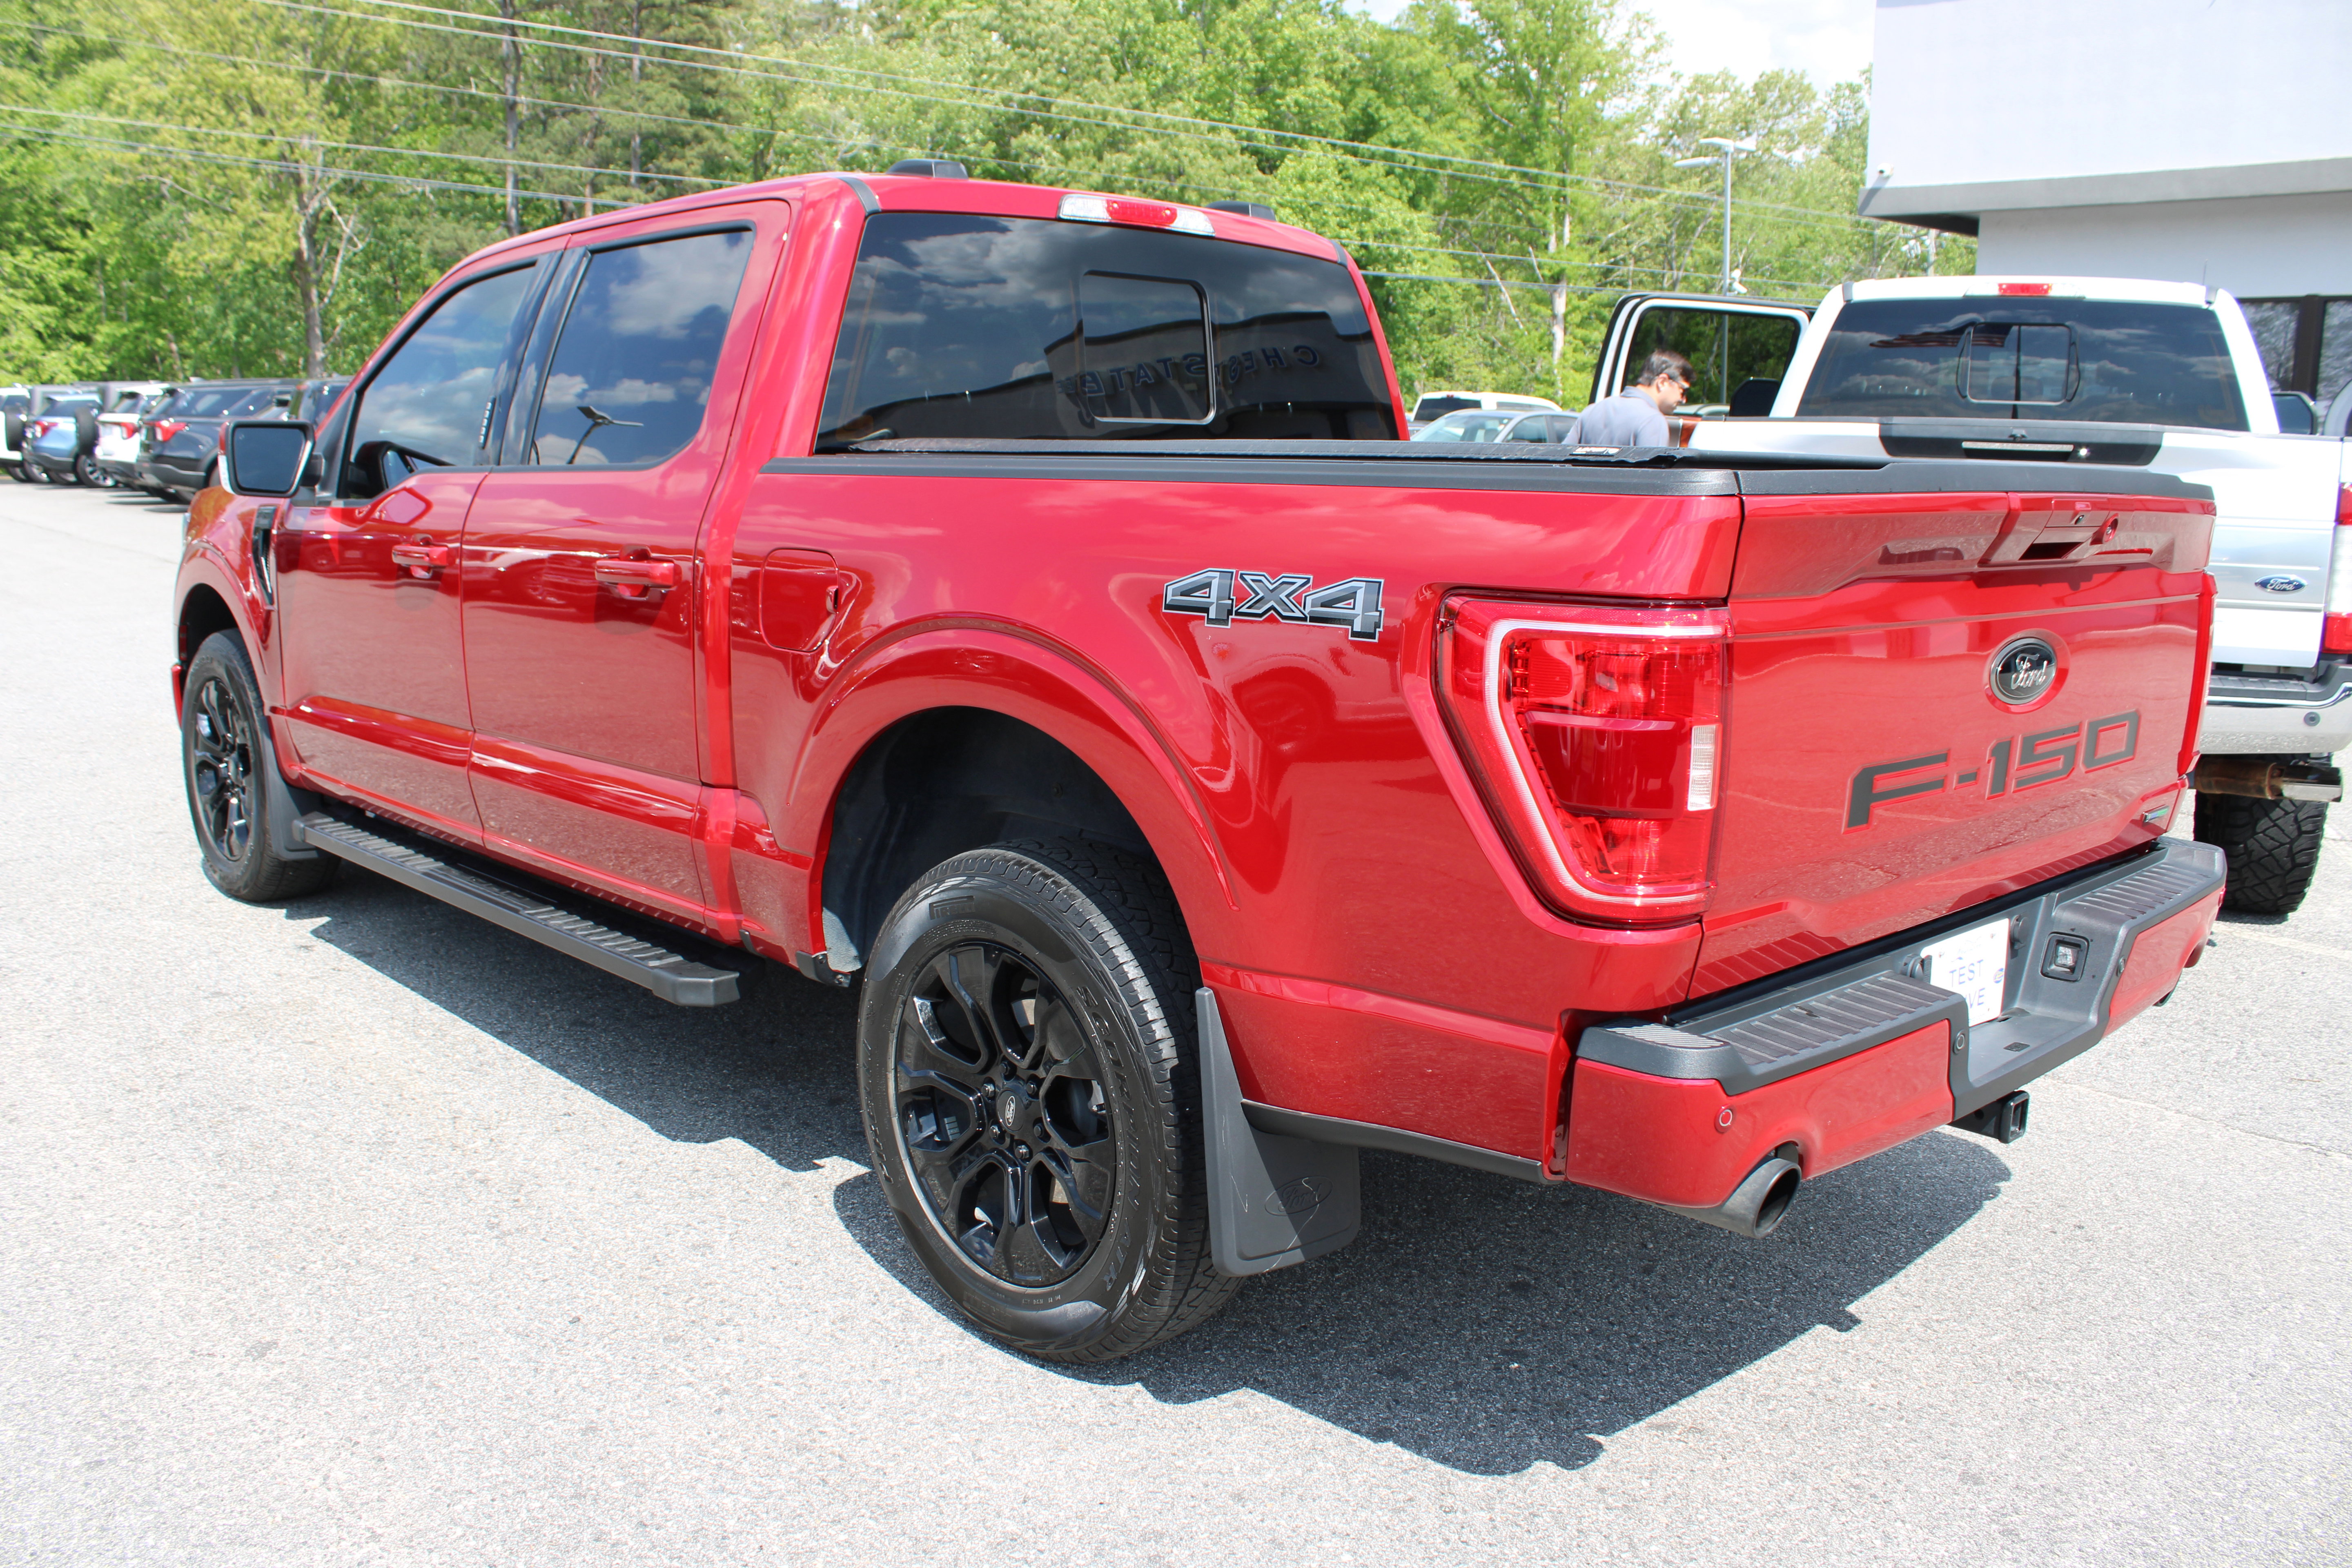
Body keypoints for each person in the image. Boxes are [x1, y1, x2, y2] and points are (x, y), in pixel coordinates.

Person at [1570, 350, 1692, 446]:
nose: (1684, 400)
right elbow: (1651, 476)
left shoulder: (1591, 411)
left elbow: (1561, 462)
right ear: (1663, 382)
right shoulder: (1653, 421)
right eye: (1683, 391)